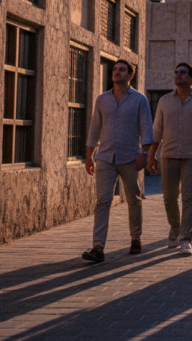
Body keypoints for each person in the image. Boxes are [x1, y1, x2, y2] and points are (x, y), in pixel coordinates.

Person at [81, 60, 153, 263]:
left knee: (134, 199)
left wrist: (145, 154)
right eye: (114, 69)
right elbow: (95, 128)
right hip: (105, 157)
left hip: (131, 157)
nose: (116, 72)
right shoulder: (102, 99)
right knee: (103, 201)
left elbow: (147, 128)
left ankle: (136, 238)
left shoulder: (140, 100)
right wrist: (89, 156)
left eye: (122, 70)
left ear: (130, 75)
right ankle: (98, 247)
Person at [147, 62, 192, 256]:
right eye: (176, 73)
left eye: (183, 73)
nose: (178, 75)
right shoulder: (164, 101)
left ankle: (185, 239)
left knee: (189, 198)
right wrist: (151, 155)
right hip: (168, 155)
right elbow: (157, 131)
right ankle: (175, 227)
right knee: (169, 198)